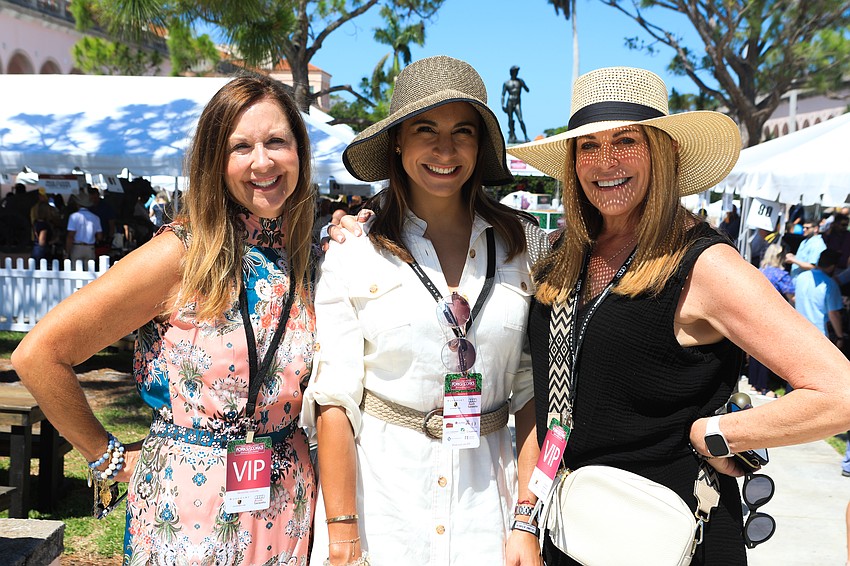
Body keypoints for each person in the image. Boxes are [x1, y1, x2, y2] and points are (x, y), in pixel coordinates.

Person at [507, 66, 850, 565]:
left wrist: (718, 435)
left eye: (626, 140)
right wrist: (525, 516)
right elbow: (549, 400)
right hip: (570, 531)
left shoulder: (705, 264)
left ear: (663, 152)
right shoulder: (564, 256)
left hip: (672, 536)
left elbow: (838, 392)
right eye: (588, 146)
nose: (606, 161)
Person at [11, 75, 317, 565]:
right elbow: (39, 354)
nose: (263, 161)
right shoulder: (180, 253)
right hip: (190, 508)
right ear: (215, 162)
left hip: (287, 501)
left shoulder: (300, 254)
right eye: (241, 147)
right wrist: (106, 458)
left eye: (277, 141)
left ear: (299, 152)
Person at [303, 55, 545, 566]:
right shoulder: (354, 251)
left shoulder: (525, 246)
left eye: (463, 131)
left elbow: (531, 393)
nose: (444, 149)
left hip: (492, 513)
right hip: (384, 516)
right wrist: (344, 537)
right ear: (397, 141)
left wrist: (527, 517)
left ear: (480, 147)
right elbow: (334, 401)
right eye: (425, 129)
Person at [65, 186, 103, 263]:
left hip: (77, 247)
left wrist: (67, 251)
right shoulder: (95, 218)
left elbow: (70, 236)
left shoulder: (74, 217)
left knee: (76, 271)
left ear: (78, 204)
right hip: (90, 247)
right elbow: (100, 237)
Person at [502, 65, 530, 144]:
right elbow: (503, 95)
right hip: (510, 102)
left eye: (517, 72)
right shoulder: (507, 83)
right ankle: (512, 135)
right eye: (515, 72)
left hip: (517, 102)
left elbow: (527, 90)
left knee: (520, 119)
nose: (516, 73)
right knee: (510, 120)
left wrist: (524, 85)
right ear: (512, 72)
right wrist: (503, 105)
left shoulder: (520, 81)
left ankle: (526, 136)